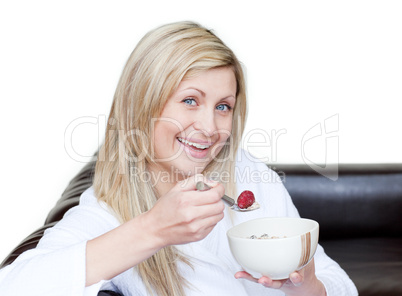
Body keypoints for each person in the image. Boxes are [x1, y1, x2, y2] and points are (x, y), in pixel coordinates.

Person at [0, 21, 358, 296]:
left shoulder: (246, 174)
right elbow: (12, 286)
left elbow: (336, 281)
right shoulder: (107, 213)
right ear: (142, 104)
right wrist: (153, 229)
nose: (209, 126)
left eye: (223, 106)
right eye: (190, 100)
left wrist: (307, 287)